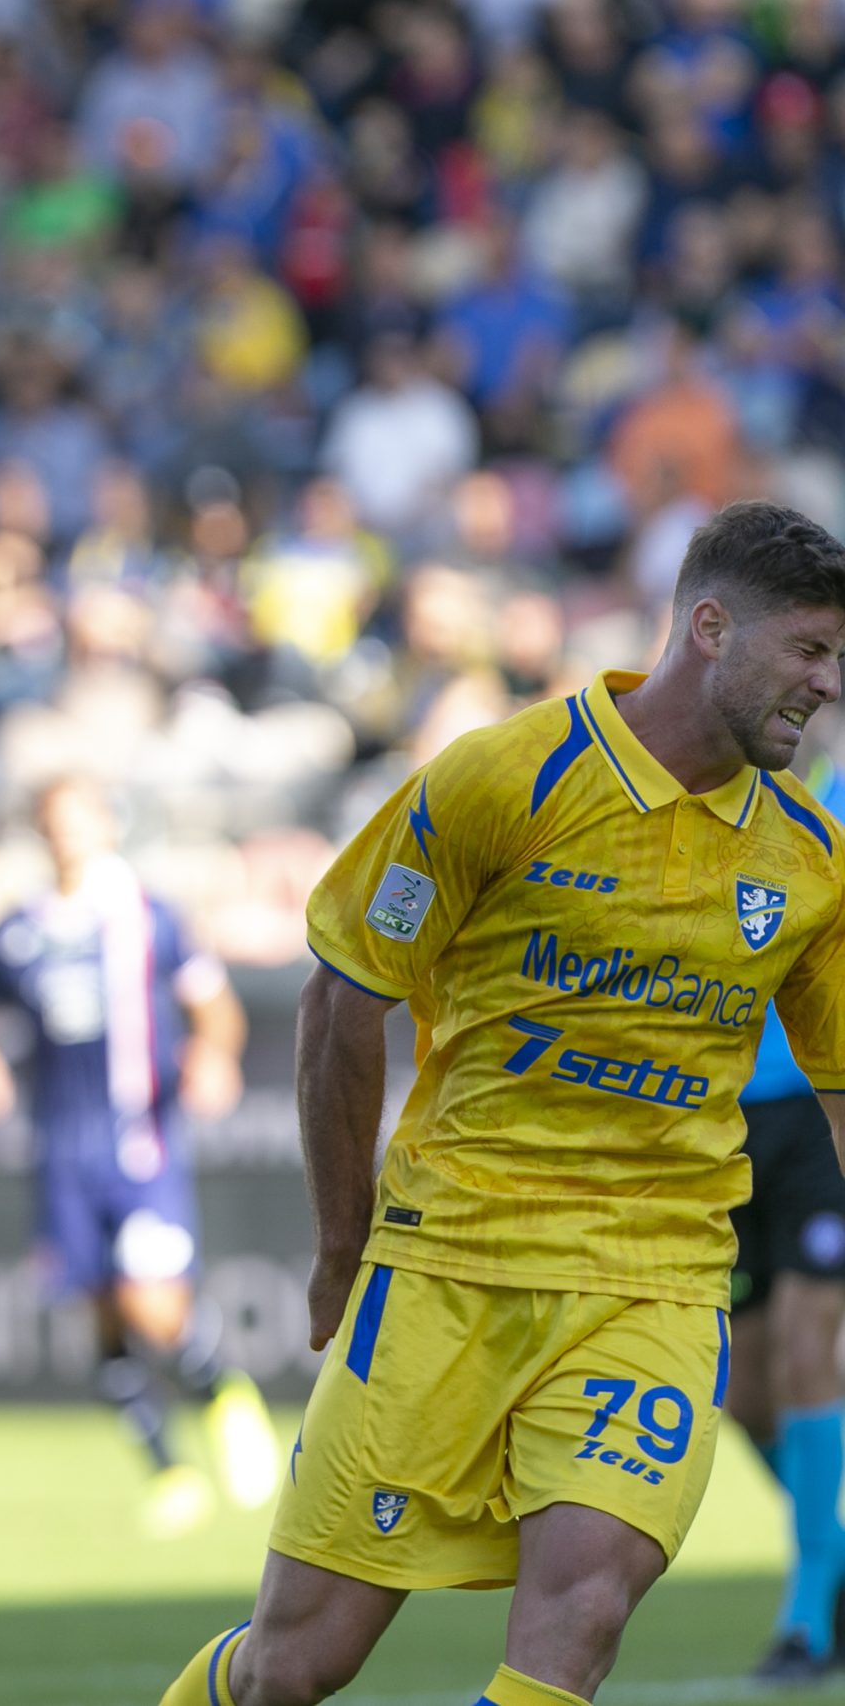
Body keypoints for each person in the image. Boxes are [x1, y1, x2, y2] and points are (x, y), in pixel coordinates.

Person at [162, 499, 845, 1706]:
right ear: (707, 627)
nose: (827, 685)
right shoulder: (503, 779)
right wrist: (338, 1247)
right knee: (292, 1666)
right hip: (448, 1267)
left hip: (653, 1283)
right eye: (807, 651)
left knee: (579, 1611)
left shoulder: (805, 854)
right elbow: (341, 1005)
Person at [0, 776, 278, 1538]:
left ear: (107, 827)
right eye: (54, 823)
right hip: (61, 1151)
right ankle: (170, 1472)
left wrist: (216, 1056)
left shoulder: (147, 917)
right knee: (100, 1316)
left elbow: (214, 1006)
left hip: (141, 1146)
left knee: (151, 1305)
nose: (67, 835)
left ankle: (224, 1393)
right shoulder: (21, 929)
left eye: (79, 821)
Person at [727, 754, 845, 1682]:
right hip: (720, 1117)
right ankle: (835, 1556)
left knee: (811, 1352)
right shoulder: (706, 786)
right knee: (744, 1388)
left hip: (818, 1103)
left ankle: (808, 1614)